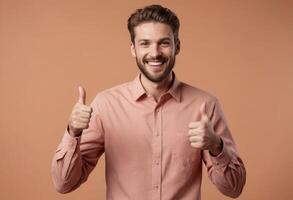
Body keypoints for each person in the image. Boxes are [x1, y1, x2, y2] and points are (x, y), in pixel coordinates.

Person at [51, 4, 246, 200]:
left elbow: (234, 188)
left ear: (177, 46)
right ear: (133, 49)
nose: (155, 53)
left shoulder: (205, 106)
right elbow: (64, 184)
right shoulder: (105, 105)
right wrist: (72, 133)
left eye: (164, 43)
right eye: (145, 43)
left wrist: (216, 146)